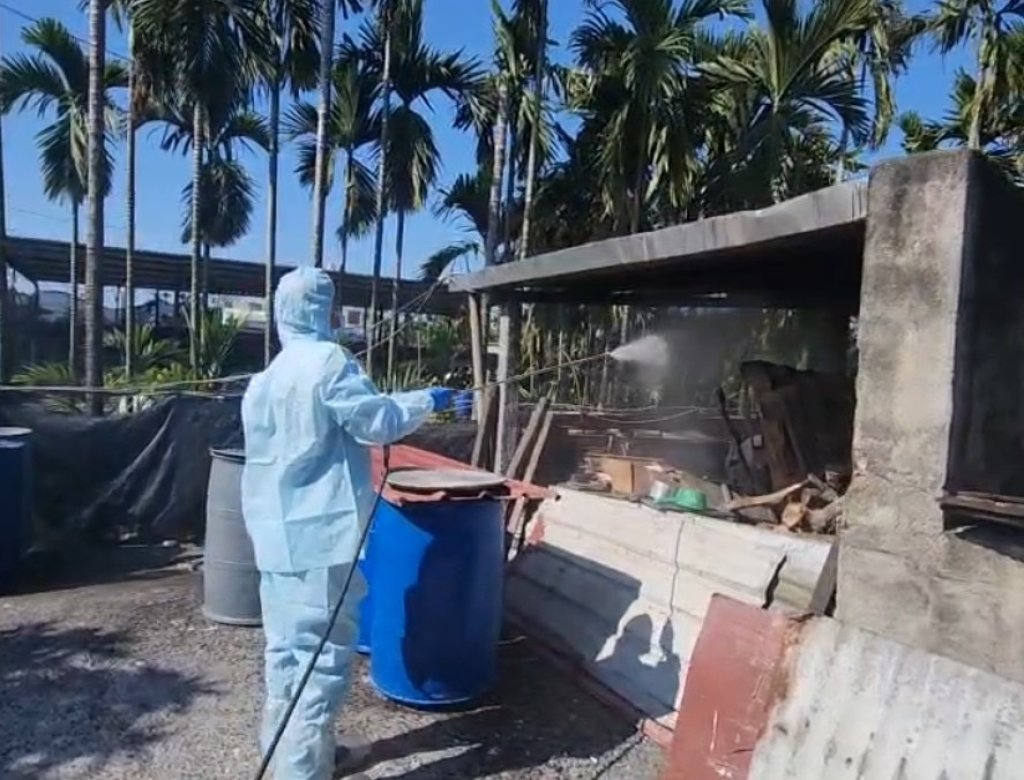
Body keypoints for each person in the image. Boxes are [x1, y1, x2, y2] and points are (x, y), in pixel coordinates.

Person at [241, 267, 452, 780]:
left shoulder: (267, 376)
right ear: (324, 310)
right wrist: (429, 400)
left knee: (287, 652)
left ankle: (294, 752)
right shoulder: (329, 362)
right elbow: (376, 422)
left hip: (274, 534)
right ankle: (300, 772)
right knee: (323, 661)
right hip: (320, 539)